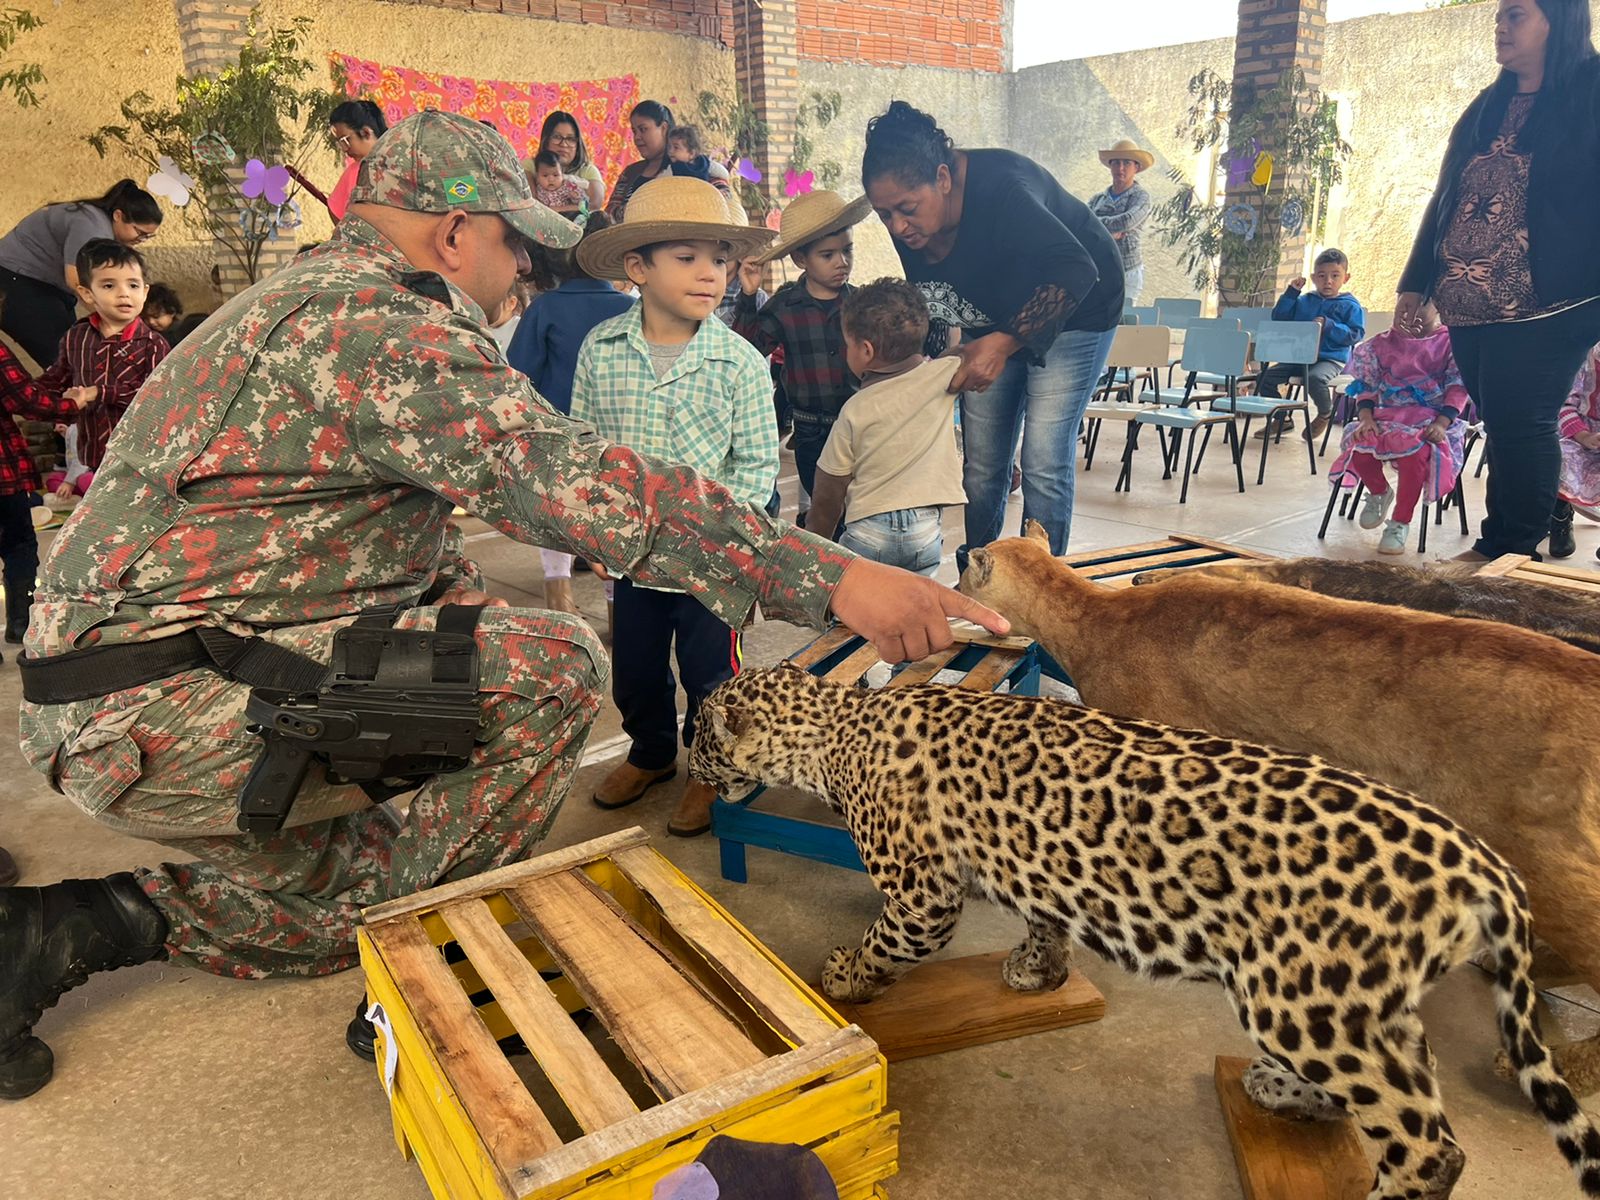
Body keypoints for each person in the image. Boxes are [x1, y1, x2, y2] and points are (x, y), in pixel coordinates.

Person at [1, 112, 1002, 1100]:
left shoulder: (314, 298)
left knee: (377, 830)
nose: (525, 270)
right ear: (453, 234)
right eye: (518, 243)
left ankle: (71, 928)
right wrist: (831, 577)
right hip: (155, 713)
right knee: (552, 675)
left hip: (136, 690)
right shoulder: (385, 329)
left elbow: (413, 554)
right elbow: (577, 482)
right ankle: (420, 969)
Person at [570, 176, 781, 838]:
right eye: (686, 258)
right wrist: (596, 534)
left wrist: (709, 530)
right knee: (633, 668)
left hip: (711, 563)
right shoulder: (601, 350)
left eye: (720, 259)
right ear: (638, 267)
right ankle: (653, 753)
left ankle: (712, 772)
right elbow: (584, 449)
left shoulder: (740, 363)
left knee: (712, 675)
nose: (710, 274)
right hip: (632, 559)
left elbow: (757, 467)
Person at [861, 101, 1122, 569]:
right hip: (995, 307)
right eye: (884, 216)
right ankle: (979, 571)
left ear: (943, 178)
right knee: (982, 463)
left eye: (906, 209)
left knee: (1042, 457)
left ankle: (1041, 584)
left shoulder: (1003, 187)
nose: (898, 227)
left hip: (1078, 303)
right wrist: (914, 373)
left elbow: (1076, 268)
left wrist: (1002, 344)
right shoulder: (912, 225)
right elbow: (935, 304)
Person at [1396, 0, 1600, 562]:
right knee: (1502, 423)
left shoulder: (1591, 93)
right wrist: (1419, 280)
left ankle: (1508, 550)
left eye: (1516, 15)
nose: (1501, 26)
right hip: (1471, 303)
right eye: (1499, 16)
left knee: (1524, 420)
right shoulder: (1488, 104)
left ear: (1559, 20)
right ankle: (1501, 544)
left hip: (1553, 303)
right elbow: (1445, 198)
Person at [506, 213, 634, 614]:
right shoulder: (631, 308)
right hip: (617, 436)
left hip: (556, 434)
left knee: (554, 517)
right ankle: (618, 615)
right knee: (608, 518)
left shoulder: (544, 308)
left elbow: (519, 372)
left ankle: (559, 605)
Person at [806, 279, 964, 576]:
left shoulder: (855, 408)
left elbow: (829, 488)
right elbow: (971, 354)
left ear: (865, 350)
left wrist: (817, 543)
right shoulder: (944, 376)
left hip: (869, 532)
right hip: (925, 531)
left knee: (859, 614)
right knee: (914, 608)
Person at [731, 190, 872, 526]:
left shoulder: (863, 304)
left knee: (862, 512)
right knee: (828, 512)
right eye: (828, 254)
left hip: (860, 425)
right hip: (811, 431)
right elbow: (747, 350)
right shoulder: (783, 307)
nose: (842, 262)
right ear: (800, 259)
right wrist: (748, 296)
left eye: (847, 250)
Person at [1327, 302, 1471, 554]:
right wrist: (1366, 418)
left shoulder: (1451, 344)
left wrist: (1441, 422)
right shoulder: (1379, 345)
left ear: (1438, 308)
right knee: (1360, 445)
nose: (1409, 313)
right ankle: (1379, 492)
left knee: (1413, 456)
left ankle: (1400, 522)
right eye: (1403, 305)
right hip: (1386, 415)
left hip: (1432, 419)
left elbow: (1457, 388)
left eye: (1419, 307)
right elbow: (1367, 386)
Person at [36, 240, 168, 492]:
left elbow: (158, 397)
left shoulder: (153, 344)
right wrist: (27, 394)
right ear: (87, 293)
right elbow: (57, 378)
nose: (124, 293)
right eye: (109, 285)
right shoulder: (77, 337)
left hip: (140, 455)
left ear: (145, 291)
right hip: (94, 452)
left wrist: (99, 392)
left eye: (133, 285)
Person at [0, 311, 91, 653]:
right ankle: (22, 624)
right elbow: (24, 399)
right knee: (19, 544)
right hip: (2, 471)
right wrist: (70, 404)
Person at [0, 180, 162, 367]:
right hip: (17, 281)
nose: (140, 240)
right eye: (139, 232)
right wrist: (115, 318)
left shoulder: (97, 222)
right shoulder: (91, 225)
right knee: (68, 361)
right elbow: (76, 279)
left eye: (148, 236)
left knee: (76, 353)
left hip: (42, 286)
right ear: (118, 215)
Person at [1256, 249, 1366, 441]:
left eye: (1335, 276)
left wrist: (1330, 326)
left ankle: (1325, 413)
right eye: (1322, 276)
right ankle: (1282, 419)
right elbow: (1279, 317)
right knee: (1264, 377)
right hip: (1299, 357)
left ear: (1345, 278)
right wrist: (1291, 293)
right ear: (1314, 277)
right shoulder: (1304, 301)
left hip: (1330, 359)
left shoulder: (1350, 305)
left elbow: (1355, 334)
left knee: (1315, 378)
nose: (1328, 281)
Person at [1087, 139, 1154, 305]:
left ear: (1136, 167)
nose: (1121, 168)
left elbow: (1128, 220)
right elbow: (1083, 222)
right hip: (1099, 269)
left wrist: (1097, 225)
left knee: (1124, 320)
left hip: (1128, 270)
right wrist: (1110, 233)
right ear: (1110, 167)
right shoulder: (1097, 199)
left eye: (1126, 163)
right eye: (1116, 163)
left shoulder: (1141, 197)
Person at [1552, 339, 1600, 558]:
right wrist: (1583, 435)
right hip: (1580, 433)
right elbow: (1563, 404)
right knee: (1557, 457)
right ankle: (1560, 520)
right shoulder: (1584, 358)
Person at [605, 100, 675, 220]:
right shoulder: (630, 172)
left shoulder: (686, 166)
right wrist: (638, 209)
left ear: (664, 128)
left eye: (643, 129)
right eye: (634, 131)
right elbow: (609, 214)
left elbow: (714, 192)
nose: (637, 137)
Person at [326, 99, 389, 222]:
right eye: (340, 143)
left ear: (366, 132)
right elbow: (335, 209)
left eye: (345, 140)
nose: (345, 149)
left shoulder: (403, 163)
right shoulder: (353, 171)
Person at [532, 110, 605, 212]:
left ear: (577, 144)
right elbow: (530, 203)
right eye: (557, 137)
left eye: (570, 139)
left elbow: (594, 205)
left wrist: (554, 210)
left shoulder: (588, 170)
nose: (564, 144)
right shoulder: (531, 165)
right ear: (546, 140)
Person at [529, 150, 587, 220]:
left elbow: (583, 205)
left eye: (555, 175)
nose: (551, 179)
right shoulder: (537, 187)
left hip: (566, 217)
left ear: (562, 174)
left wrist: (575, 196)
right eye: (545, 175)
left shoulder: (568, 186)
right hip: (546, 218)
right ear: (537, 176)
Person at [666, 124, 731, 183]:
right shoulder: (672, 168)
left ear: (691, 154)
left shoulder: (703, 163)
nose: (670, 151)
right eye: (669, 146)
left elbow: (723, 173)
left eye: (676, 147)